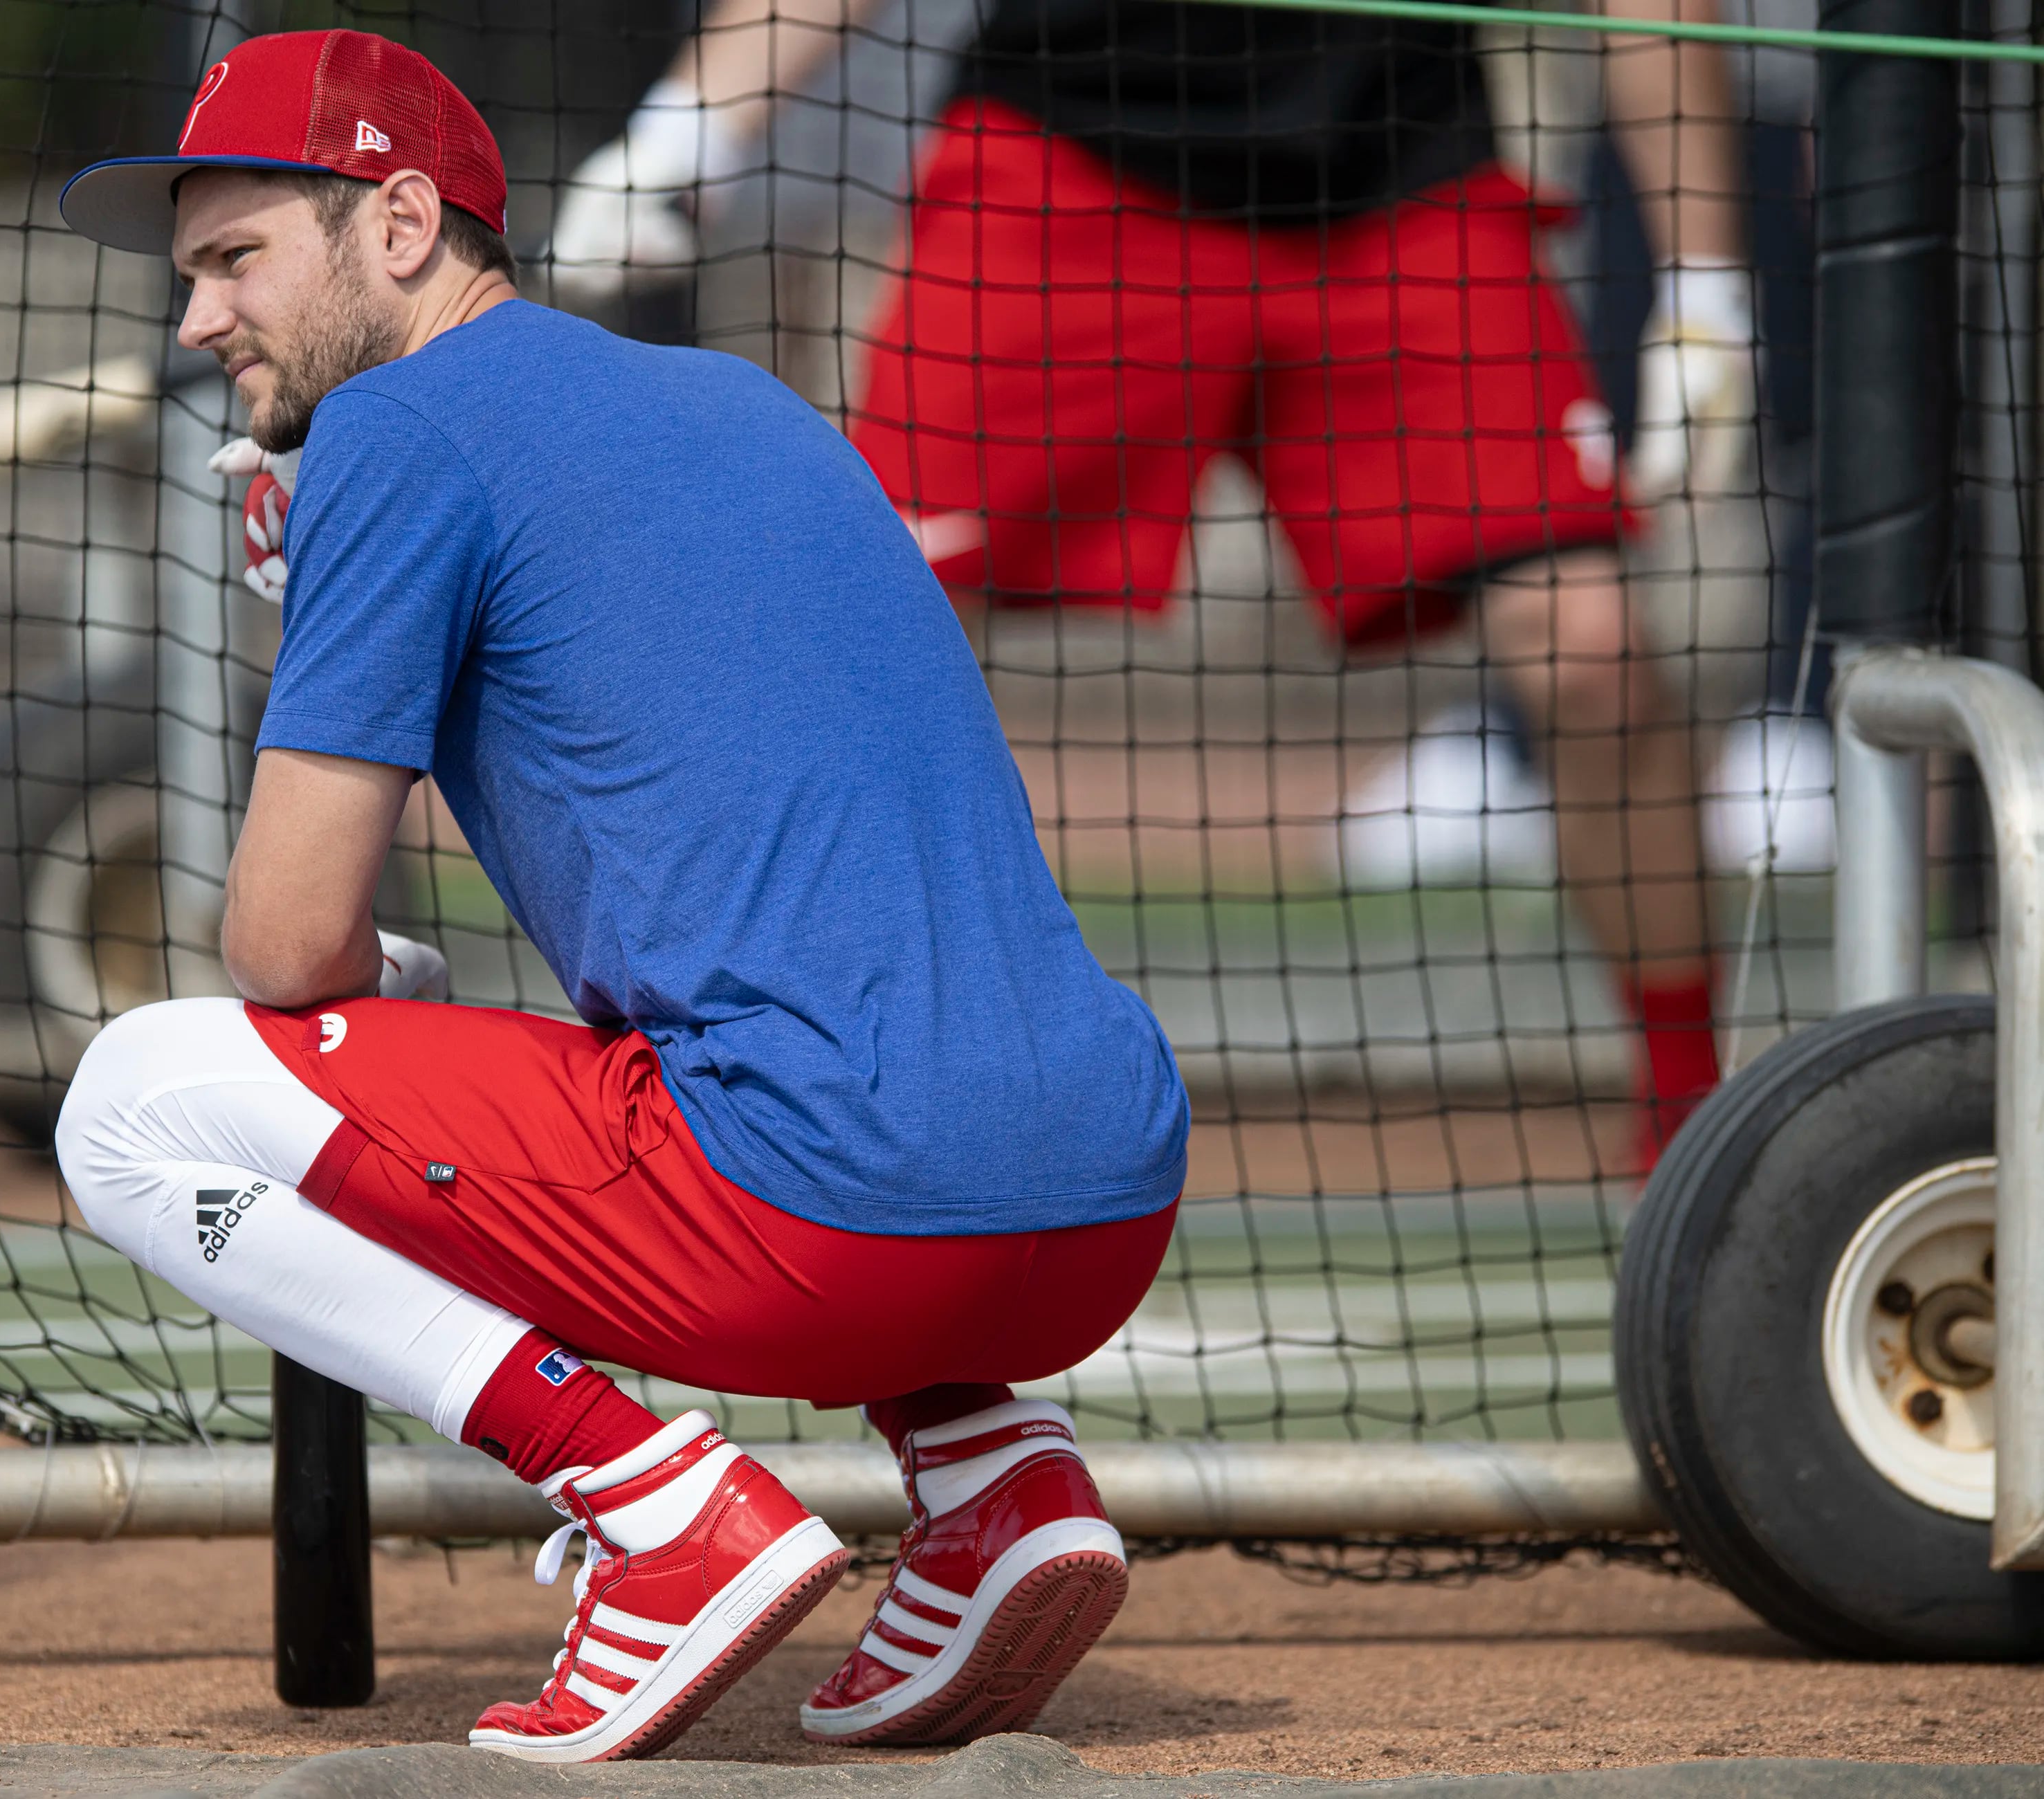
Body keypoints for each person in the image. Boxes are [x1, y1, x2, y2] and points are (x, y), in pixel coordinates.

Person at [53, 28, 1192, 1763]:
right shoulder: (740, 396)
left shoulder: (396, 434)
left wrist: (380, 975)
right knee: (766, 996)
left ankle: (652, 1502)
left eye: (236, 259)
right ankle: (992, 1474)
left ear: (404, 223)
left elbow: (285, 945)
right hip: (1102, 1199)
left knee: (131, 1106)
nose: (199, 320)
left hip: (826, 1229)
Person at [554, 0, 1753, 1161]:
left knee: (1592, 645)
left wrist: (1708, 283)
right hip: (1071, 160)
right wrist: (690, 127)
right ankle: (764, 1102)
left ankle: (1699, 1114)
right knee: (861, 631)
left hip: (1401, 174)